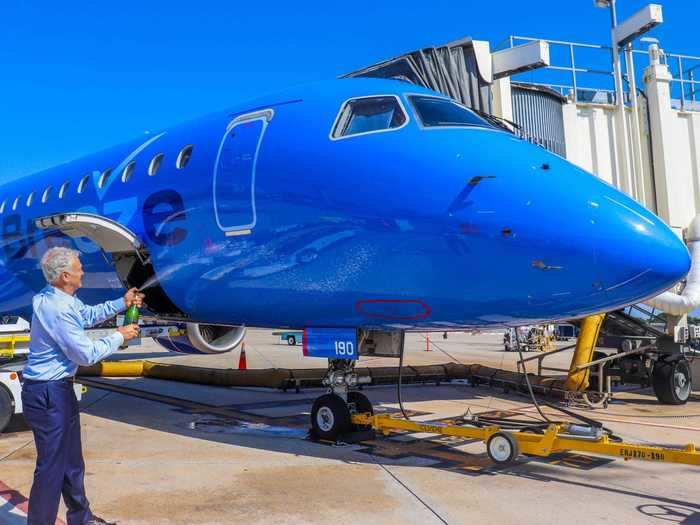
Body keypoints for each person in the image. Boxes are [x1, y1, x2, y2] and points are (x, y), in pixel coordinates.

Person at [22, 246, 144, 525]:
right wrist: (119, 335)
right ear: (65, 275)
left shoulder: (57, 298)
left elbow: (87, 316)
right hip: (48, 393)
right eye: (79, 268)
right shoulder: (58, 309)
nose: (83, 271)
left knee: (71, 463)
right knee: (51, 468)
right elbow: (85, 355)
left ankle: (81, 518)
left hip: (57, 390)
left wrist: (121, 303)